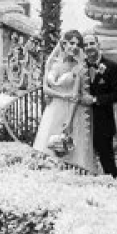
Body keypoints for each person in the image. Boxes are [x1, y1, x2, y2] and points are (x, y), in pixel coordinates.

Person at [34, 30, 88, 162]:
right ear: (64, 44)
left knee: (67, 148)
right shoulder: (52, 63)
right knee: (48, 145)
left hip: (70, 110)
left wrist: (69, 121)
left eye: (77, 45)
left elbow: (75, 96)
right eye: (71, 43)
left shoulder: (78, 67)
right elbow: (46, 89)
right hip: (53, 109)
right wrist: (63, 96)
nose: (74, 47)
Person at [82, 33, 117, 179]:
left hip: (103, 123)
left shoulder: (113, 67)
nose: (89, 48)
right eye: (86, 45)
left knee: (107, 162)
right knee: (82, 162)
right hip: (82, 123)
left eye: (91, 44)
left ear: (98, 45)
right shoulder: (79, 68)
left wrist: (95, 100)